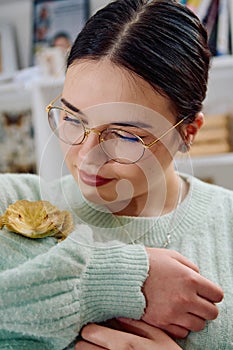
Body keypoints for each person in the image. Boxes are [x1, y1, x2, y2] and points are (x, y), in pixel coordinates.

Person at [0, 0, 231, 349]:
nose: (87, 156)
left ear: (188, 133)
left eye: (124, 135)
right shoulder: (12, 199)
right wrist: (117, 279)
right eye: (73, 118)